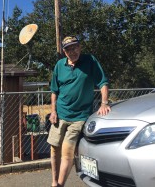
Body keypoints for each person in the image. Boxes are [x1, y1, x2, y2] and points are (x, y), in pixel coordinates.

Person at [47, 36, 111, 187]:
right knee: (54, 149)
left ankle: (60, 184)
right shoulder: (59, 66)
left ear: (80, 47)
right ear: (64, 52)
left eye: (75, 47)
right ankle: (54, 182)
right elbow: (54, 91)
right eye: (69, 49)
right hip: (60, 114)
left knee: (67, 151)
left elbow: (103, 82)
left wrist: (104, 103)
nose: (73, 51)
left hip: (79, 117)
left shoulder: (90, 61)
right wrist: (53, 111)